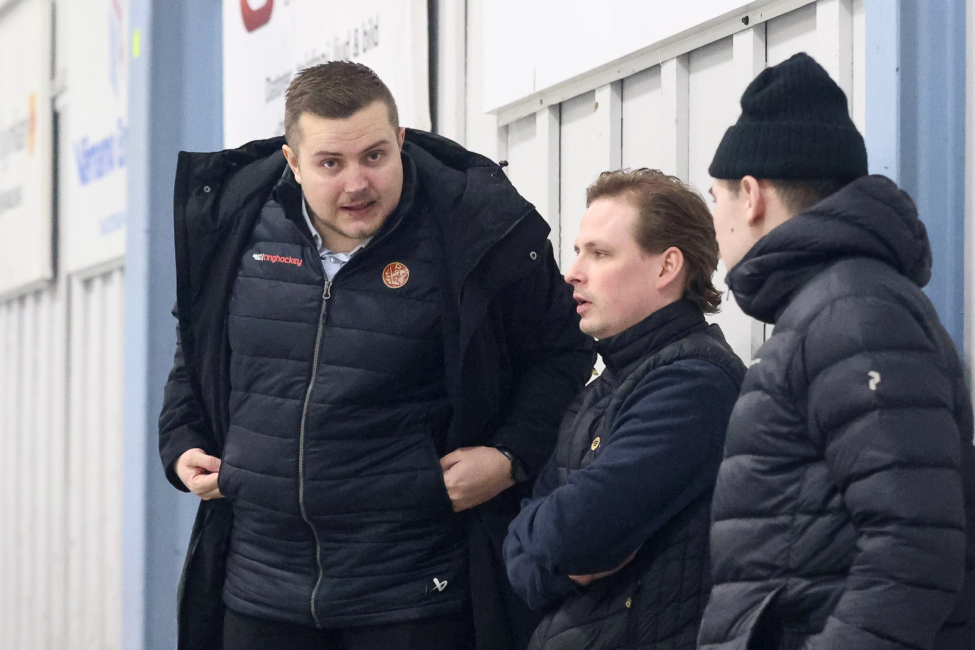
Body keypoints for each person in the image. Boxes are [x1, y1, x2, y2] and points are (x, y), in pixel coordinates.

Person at [157, 61, 593, 650]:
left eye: (375, 156)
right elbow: (197, 348)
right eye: (330, 164)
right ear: (293, 162)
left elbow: (562, 350)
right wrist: (182, 439)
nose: (357, 183)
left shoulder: (476, 228)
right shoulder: (235, 223)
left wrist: (510, 455)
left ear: (401, 141)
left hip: (414, 590)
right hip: (259, 586)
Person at [697, 52, 975, 649]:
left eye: (715, 197)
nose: (715, 220)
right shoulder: (830, 309)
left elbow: (914, 546)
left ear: (751, 196)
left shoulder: (851, 313)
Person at [503, 169, 746, 649]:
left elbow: (572, 534)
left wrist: (549, 548)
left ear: (666, 266)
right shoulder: (608, 385)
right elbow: (519, 557)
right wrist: (554, 563)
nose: (573, 272)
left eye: (599, 253)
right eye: (578, 251)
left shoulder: (693, 384)